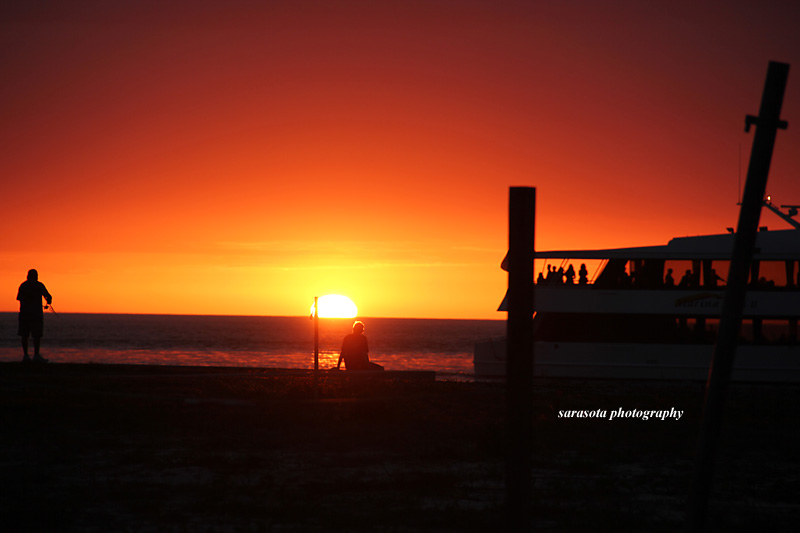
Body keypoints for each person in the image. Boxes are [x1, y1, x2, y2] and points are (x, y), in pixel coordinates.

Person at [17, 269, 53, 363]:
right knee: (36, 335)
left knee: (24, 335)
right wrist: (48, 301)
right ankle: (36, 355)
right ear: (36, 276)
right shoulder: (39, 285)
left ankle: (25, 356)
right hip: (36, 315)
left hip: (24, 314)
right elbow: (48, 296)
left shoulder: (23, 285)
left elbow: (19, 298)